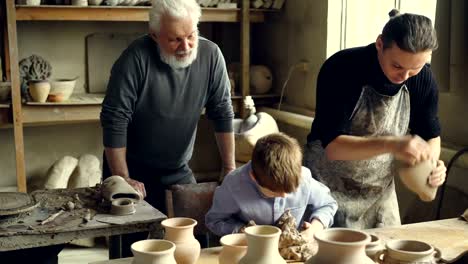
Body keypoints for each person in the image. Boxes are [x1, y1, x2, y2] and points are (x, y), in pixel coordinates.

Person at [100, 0, 235, 254]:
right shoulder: (135, 58)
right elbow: (114, 118)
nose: (186, 46)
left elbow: (222, 112)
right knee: (134, 252)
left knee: (194, 243)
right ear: (154, 35)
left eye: (191, 35)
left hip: (178, 168)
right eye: (174, 40)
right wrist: (123, 178)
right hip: (131, 170)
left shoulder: (211, 55)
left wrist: (229, 167)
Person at [303, 9, 447, 229]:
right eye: (397, 66)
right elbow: (333, 148)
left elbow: (431, 136)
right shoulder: (342, 68)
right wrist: (393, 143)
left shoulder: (423, 79)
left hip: (378, 192)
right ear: (380, 44)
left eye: (414, 68)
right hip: (326, 186)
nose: (404, 77)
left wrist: (431, 165)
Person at [206, 133, 338, 241]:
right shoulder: (234, 185)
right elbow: (214, 221)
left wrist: (314, 228)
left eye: (290, 191)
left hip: (292, 250)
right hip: (251, 248)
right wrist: (243, 230)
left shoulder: (304, 177)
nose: (284, 196)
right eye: (274, 192)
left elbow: (328, 204)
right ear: (254, 178)